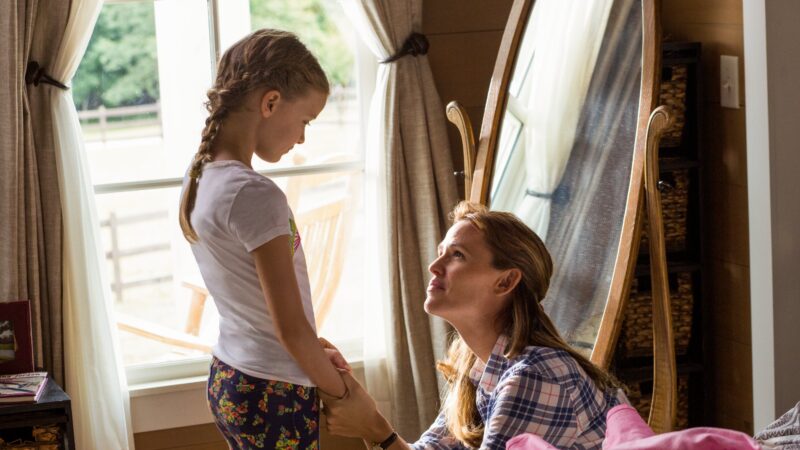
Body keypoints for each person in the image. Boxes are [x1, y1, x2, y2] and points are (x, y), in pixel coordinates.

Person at [321, 201, 627, 450]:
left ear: (506, 281)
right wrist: (354, 399)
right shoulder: (478, 369)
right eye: (441, 253)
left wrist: (374, 427)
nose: (434, 267)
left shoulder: (538, 377)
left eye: (457, 255)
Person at [178, 29, 348, 450]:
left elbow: (256, 303)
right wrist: (342, 394)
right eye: (305, 121)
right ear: (270, 103)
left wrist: (316, 355)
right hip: (274, 390)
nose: (302, 138)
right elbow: (290, 329)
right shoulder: (255, 194)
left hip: (231, 375)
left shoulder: (200, 176)